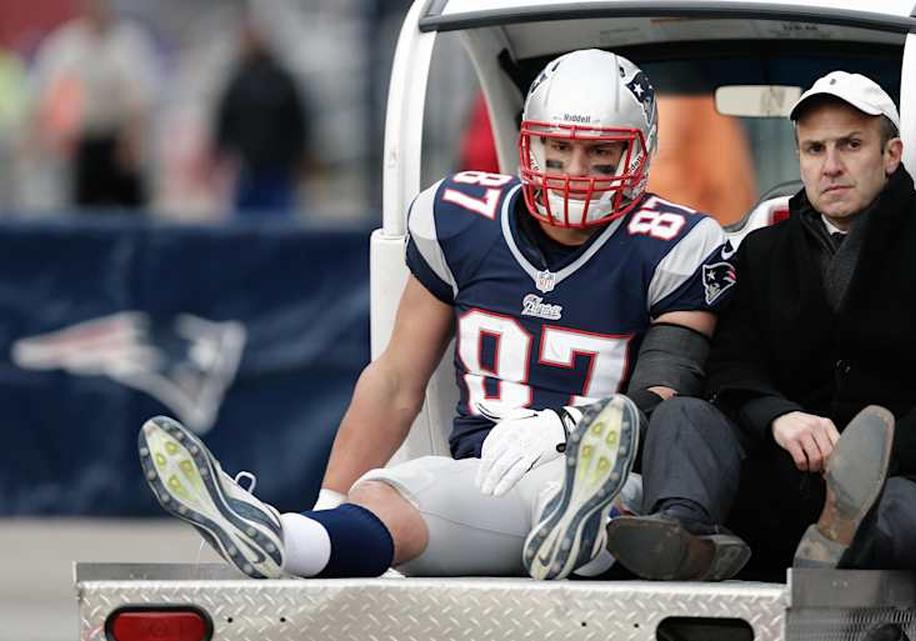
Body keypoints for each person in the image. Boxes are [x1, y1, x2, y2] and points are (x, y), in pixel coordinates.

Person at [138, 48, 735, 582]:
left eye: (600, 154)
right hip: (486, 469)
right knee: (387, 497)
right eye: (559, 148)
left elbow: (667, 390)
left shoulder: (676, 242)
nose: (575, 172)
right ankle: (288, 538)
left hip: (599, 462)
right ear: (530, 143)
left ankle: (579, 525)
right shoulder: (462, 217)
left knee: (597, 494)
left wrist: (568, 427)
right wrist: (331, 499)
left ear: (639, 151)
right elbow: (396, 380)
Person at [608, 71, 916, 641]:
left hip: (911, 486)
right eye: (814, 149)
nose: (830, 165)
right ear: (801, 159)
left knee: (892, 510)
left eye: (850, 145)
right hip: (785, 485)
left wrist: (867, 455)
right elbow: (732, 367)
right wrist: (779, 418)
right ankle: (684, 533)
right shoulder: (760, 253)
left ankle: (839, 539)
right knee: (685, 413)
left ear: (891, 154)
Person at [29, 0, 157, 210]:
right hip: (83, 144)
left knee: (130, 212)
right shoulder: (65, 45)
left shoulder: (131, 43)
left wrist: (134, 140)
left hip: (121, 141)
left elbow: (144, 100)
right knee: (83, 212)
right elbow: (46, 96)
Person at [213, 15, 311, 217]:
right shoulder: (237, 83)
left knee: (279, 222)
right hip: (248, 171)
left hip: (278, 172)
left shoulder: (282, 81)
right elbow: (225, 123)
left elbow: (298, 123)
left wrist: (300, 155)